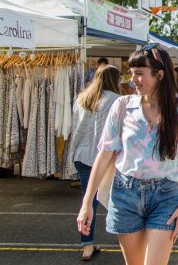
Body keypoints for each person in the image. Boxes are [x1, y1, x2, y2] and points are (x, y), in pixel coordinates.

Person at [77, 45, 178, 265]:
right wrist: (87, 202)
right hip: (125, 193)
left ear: (159, 75)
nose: (132, 79)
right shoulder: (122, 106)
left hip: (166, 196)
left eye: (139, 73)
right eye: (131, 72)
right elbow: (104, 154)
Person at [70, 65, 122, 261]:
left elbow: (75, 128)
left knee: (88, 200)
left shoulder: (82, 99)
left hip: (82, 155)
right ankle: (125, 237)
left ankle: (87, 244)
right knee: (116, 199)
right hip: (107, 157)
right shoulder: (116, 101)